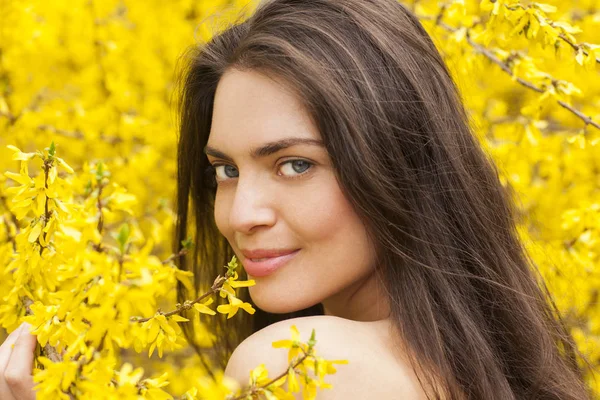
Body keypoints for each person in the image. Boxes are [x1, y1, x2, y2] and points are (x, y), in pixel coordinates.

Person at [0, 0, 593, 399]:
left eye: (295, 164)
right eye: (226, 170)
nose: (241, 215)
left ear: (398, 164)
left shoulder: (297, 362)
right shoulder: (476, 370)